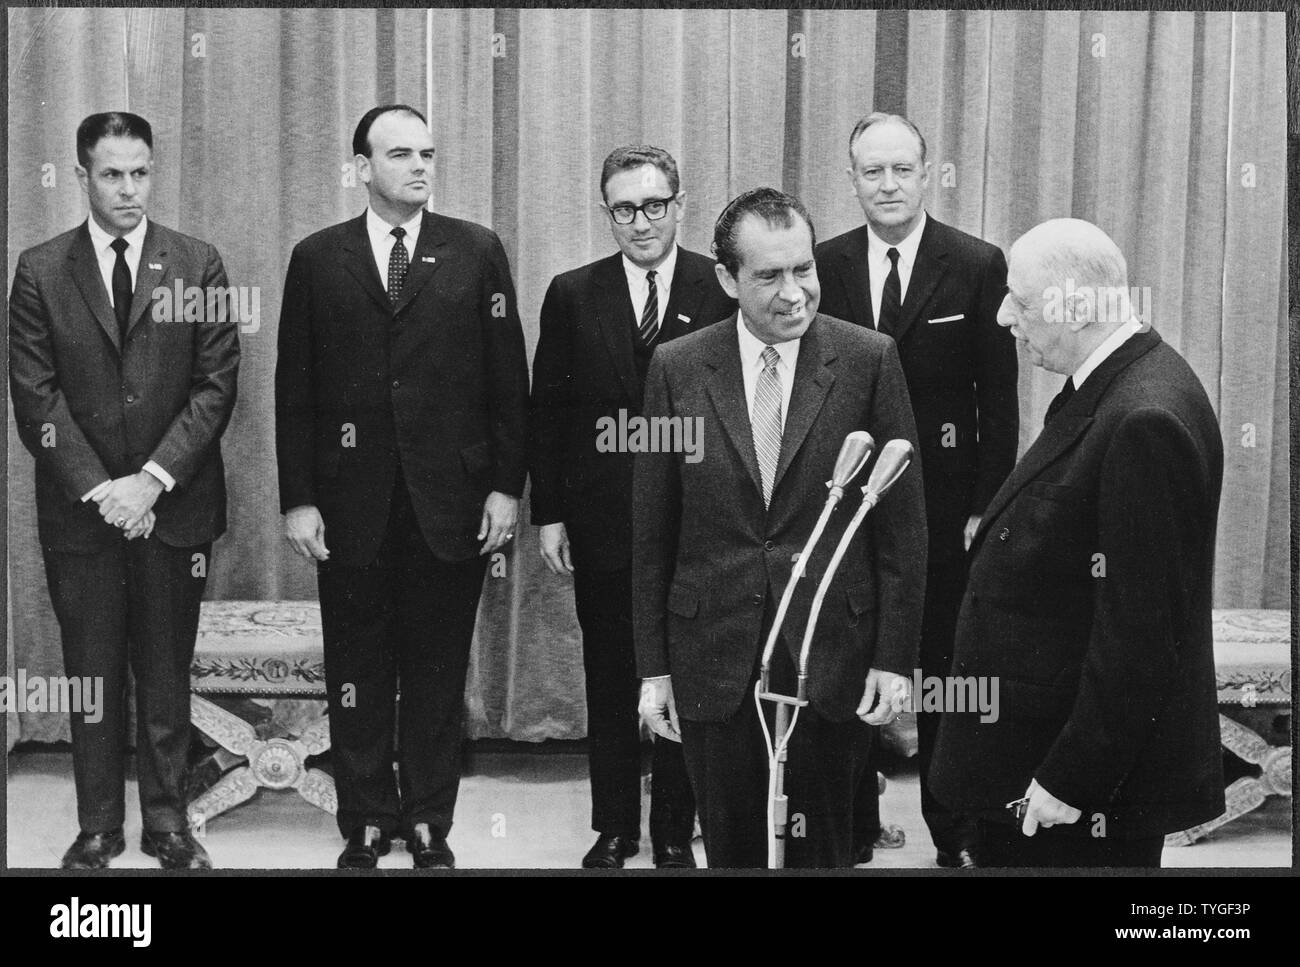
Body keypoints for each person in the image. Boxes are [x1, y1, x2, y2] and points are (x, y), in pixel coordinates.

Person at [633, 187, 927, 868]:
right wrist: (654, 669)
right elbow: (651, 532)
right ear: (728, 279)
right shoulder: (675, 368)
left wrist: (892, 657)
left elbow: (903, 535)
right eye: (769, 275)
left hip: (831, 659)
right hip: (713, 655)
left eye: (805, 269)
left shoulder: (869, 359)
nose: (794, 292)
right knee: (734, 849)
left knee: (821, 850)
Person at [275, 104, 529, 869]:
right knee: (355, 669)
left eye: (427, 152)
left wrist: (505, 488)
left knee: (435, 670)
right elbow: (296, 386)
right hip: (350, 506)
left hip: (448, 504)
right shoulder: (319, 258)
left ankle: (427, 821)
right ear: (361, 167)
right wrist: (299, 497)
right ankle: (365, 821)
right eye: (399, 154)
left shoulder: (475, 251)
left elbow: (506, 381)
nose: (419, 166)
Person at [929, 218, 1225, 868]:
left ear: (1080, 305)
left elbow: (1138, 638)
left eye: (1024, 302)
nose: (1005, 316)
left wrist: (1070, 781)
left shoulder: (1144, 418)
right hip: (1029, 763)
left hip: (1065, 793)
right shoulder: (1113, 385)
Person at [9, 111, 240, 870]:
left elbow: (214, 386)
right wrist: (104, 491)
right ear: (81, 177)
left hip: (173, 510)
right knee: (93, 674)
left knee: (167, 671)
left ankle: (168, 822)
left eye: (141, 171)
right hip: (83, 517)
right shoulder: (40, 270)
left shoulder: (198, 263)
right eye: (112, 174)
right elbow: (35, 397)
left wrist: (149, 482)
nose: (130, 188)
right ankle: (99, 825)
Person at [816, 112, 1018, 868]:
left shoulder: (975, 263)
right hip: (843, 505)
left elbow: (998, 404)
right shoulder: (822, 262)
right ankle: (853, 826)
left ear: (928, 172)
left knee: (938, 674)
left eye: (903, 169)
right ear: (853, 178)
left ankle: (954, 831)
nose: (889, 184)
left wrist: (984, 508)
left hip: (942, 511)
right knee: (844, 660)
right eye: (873, 171)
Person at [528, 145, 734, 868]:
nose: (640, 221)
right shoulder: (573, 292)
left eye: (654, 205)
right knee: (611, 670)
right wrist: (548, 511)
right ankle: (615, 825)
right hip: (603, 518)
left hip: (704, 520)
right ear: (607, 212)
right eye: (624, 208)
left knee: (687, 669)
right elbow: (546, 410)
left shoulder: (721, 286)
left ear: (680, 205)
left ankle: (676, 829)